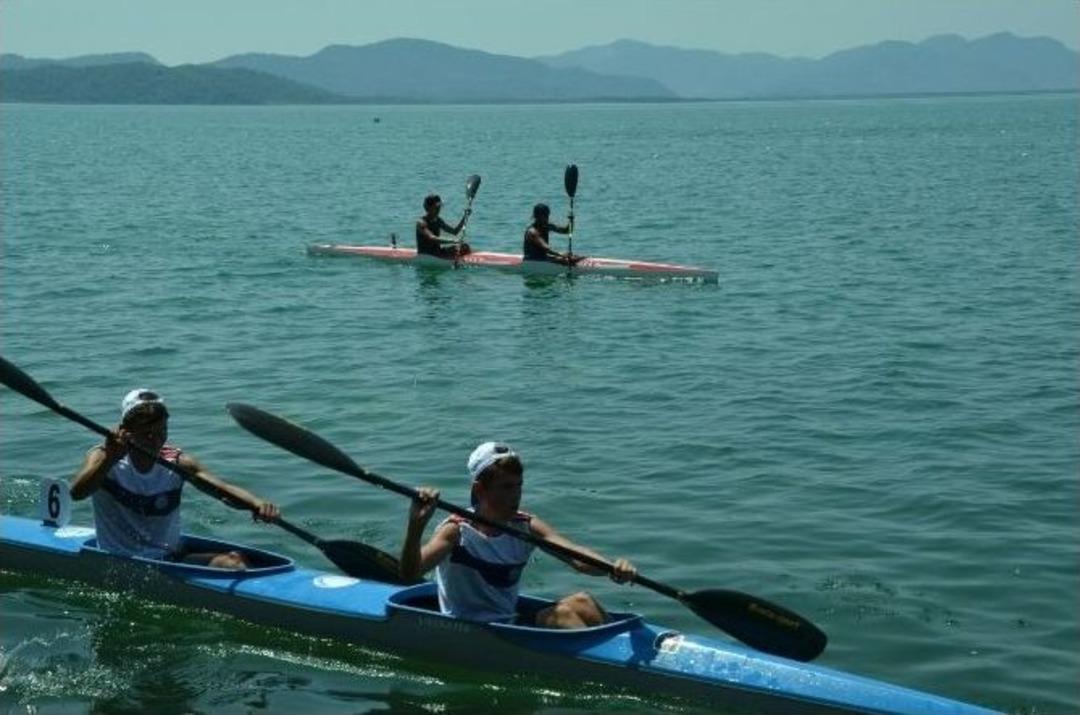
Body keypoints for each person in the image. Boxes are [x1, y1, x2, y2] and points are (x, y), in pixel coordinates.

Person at [400, 441, 636, 628]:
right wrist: (416, 527)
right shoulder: (456, 531)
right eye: (506, 487)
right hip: (470, 629)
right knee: (563, 615)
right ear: (479, 489)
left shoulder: (525, 525)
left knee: (583, 601)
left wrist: (612, 569)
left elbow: (577, 558)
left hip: (508, 622)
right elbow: (410, 573)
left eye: (519, 486)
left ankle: (624, 659)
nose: (516, 495)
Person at [70, 388, 280, 568]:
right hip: (119, 560)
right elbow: (77, 492)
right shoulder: (102, 456)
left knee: (235, 562)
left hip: (168, 556)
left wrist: (256, 503)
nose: (156, 441)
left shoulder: (178, 463)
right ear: (126, 432)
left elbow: (222, 490)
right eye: (148, 434)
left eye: (162, 432)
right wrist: (110, 458)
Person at [416, 193, 471, 259]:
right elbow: (432, 238)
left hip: (438, 252)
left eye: (439, 207)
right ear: (428, 208)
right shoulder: (421, 222)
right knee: (460, 248)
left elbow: (455, 231)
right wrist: (453, 241)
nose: (438, 209)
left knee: (465, 247)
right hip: (426, 254)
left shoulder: (438, 220)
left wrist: (465, 216)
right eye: (436, 207)